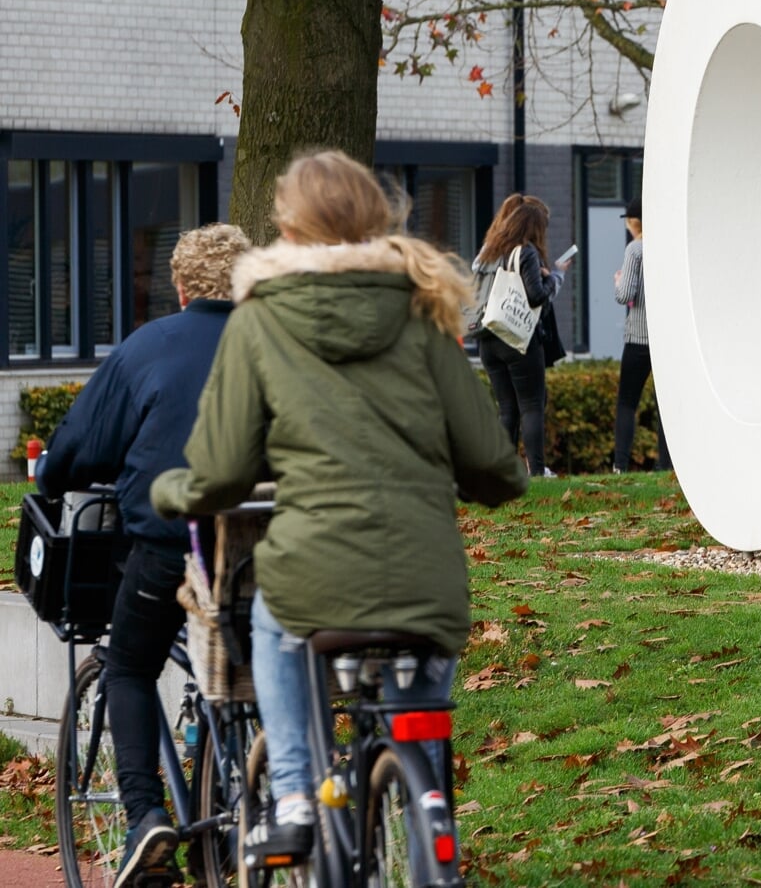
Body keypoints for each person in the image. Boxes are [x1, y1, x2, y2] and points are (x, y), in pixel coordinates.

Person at [152, 152, 527, 864]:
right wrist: (488, 480)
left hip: (311, 580)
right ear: (379, 218)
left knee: (272, 620)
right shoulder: (423, 311)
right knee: (420, 733)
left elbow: (222, 471)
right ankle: (420, 821)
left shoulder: (260, 320)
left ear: (288, 229)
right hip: (428, 583)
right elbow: (489, 464)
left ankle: (293, 796)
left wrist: (173, 490)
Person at [37, 223, 252, 888]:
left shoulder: (145, 348)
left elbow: (77, 451)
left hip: (169, 543)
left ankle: (144, 817)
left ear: (181, 287)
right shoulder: (283, 344)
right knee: (252, 667)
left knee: (129, 665)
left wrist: (53, 472)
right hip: (269, 545)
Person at [471, 194, 571, 477]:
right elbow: (536, 296)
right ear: (533, 228)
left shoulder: (489, 252)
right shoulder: (525, 252)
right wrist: (551, 277)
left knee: (506, 409)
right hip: (517, 339)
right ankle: (537, 472)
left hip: (488, 338)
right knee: (531, 406)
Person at [612, 196, 653, 472]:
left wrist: (618, 281)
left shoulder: (635, 250)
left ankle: (620, 464)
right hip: (664, 342)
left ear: (631, 222)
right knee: (666, 408)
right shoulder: (666, 247)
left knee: (627, 402)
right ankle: (666, 465)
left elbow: (625, 294)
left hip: (638, 337)